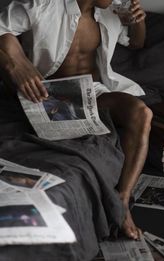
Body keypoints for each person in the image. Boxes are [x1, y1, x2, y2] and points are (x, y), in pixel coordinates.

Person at [0, 0, 153, 240]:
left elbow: (136, 43)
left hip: (94, 93)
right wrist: (17, 64)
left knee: (141, 113)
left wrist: (139, 22)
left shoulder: (111, 12)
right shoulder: (42, 5)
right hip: (46, 95)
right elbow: (1, 28)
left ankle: (122, 199)